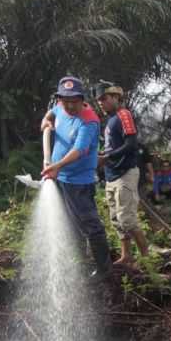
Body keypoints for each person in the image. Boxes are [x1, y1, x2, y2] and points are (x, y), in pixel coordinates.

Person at [39, 76, 112, 280]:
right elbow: (51, 113)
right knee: (68, 223)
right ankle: (76, 264)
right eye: (65, 101)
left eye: (74, 101)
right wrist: (46, 121)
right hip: (59, 176)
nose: (70, 106)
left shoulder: (89, 121)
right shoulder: (59, 107)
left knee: (90, 225)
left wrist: (56, 166)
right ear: (60, 99)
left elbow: (79, 150)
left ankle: (105, 270)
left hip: (79, 181)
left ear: (82, 99)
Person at [94, 81, 150, 267]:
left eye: (104, 98)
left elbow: (131, 144)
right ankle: (127, 256)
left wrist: (107, 156)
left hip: (125, 172)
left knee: (127, 218)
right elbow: (113, 146)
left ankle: (145, 257)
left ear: (116, 97)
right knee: (116, 220)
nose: (101, 103)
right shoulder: (109, 121)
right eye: (99, 100)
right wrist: (104, 156)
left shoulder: (123, 115)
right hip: (112, 174)